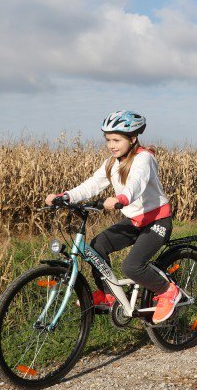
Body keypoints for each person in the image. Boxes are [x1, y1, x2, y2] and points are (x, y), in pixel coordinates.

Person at [45, 110, 180, 324]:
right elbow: (92, 184)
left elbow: (137, 181)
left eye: (116, 140)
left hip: (156, 221)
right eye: (108, 140)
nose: (111, 145)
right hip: (134, 221)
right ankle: (110, 295)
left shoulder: (144, 159)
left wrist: (122, 198)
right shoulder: (112, 163)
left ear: (133, 138)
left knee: (132, 267)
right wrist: (66, 196)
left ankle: (168, 292)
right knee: (97, 246)